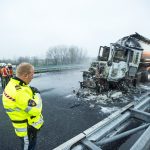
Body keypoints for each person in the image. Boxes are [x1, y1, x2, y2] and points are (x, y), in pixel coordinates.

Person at [2, 62, 44, 150]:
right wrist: (37, 94)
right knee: (28, 147)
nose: (33, 76)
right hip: (27, 128)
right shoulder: (18, 92)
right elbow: (36, 109)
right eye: (32, 74)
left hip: (24, 125)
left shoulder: (13, 84)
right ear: (25, 75)